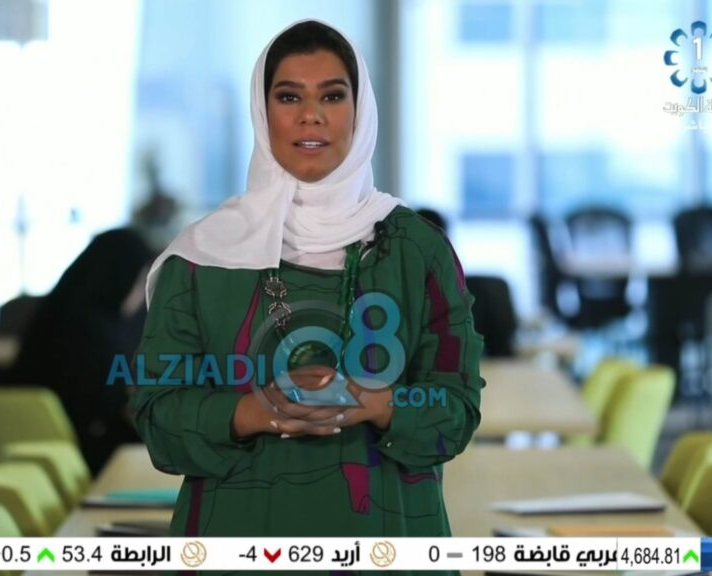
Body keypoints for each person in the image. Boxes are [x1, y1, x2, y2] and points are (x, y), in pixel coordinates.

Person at [132, 19, 484, 559]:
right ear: (263, 111)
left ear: (359, 112)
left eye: (333, 96)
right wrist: (255, 412)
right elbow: (156, 417)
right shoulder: (203, 256)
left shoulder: (418, 251)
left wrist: (376, 403)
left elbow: (457, 410)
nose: (310, 115)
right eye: (289, 96)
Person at [0, 228, 154, 474]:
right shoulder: (99, 337)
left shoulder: (53, 314)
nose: (141, 295)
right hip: (87, 465)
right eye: (141, 281)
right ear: (122, 277)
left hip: (34, 464)